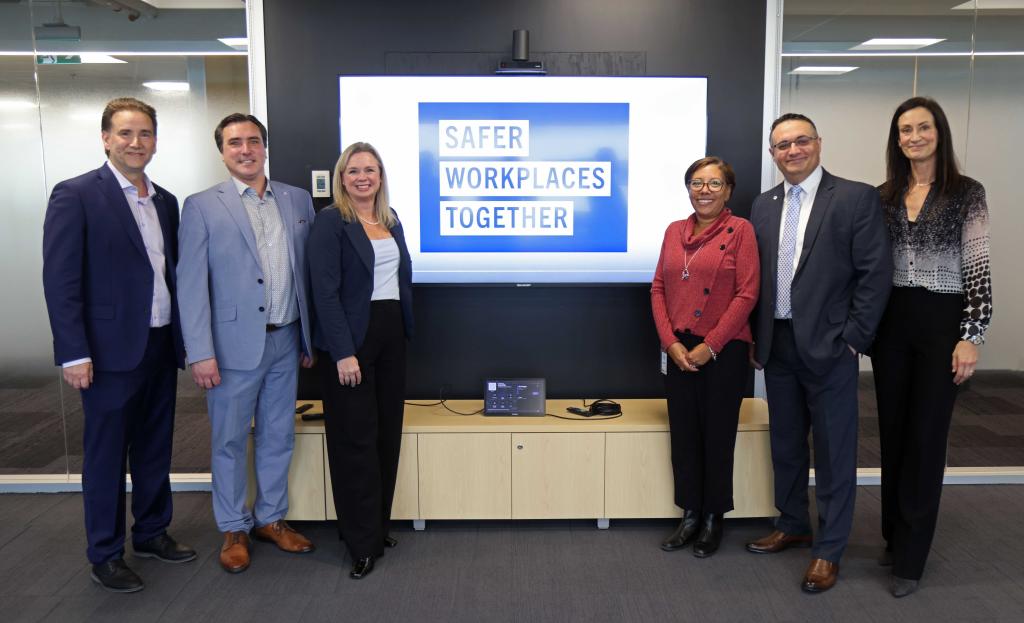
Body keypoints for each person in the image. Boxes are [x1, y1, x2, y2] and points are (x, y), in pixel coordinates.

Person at [42, 97, 196, 593]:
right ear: (106, 138)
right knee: (107, 456)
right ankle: (105, 554)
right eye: (126, 133)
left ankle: (151, 532)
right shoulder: (76, 195)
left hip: (159, 342)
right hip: (107, 353)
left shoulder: (165, 201)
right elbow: (61, 281)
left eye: (145, 133)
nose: (136, 142)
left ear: (155, 141)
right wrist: (73, 351)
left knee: (155, 447)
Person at [746, 113, 893, 593]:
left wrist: (853, 338)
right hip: (778, 344)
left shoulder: (854, 197)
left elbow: (875, 274)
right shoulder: (763, 205)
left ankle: (829, 549)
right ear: (772, 154)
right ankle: (792, 523)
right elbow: (757, 277)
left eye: (801, 140)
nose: (792, 150)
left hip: (831, 347)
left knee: (833, 452)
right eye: (782, 145)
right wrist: (756, 337)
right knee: (786, 444)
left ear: (818, 143)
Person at [176, 113, 316, 574]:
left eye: (253, 141)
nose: (245, 150)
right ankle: (233, 527)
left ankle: (270, 519)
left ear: (265, 147)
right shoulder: (202, 206)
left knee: (278, 435)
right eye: (235, 142)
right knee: (230, 441)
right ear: (222, 151)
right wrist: (200, 352)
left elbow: (307, 273)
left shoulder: (296, 199)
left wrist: (308, 335)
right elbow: (191, 285)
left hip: (286, 339)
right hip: (230, 347)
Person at [873, 97, 992, 598]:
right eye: (905, 130)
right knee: (893, 434)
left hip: (943, 324)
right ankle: (893, 535)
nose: (914, 137)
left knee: (926, 438)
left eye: (923, 127)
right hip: (891, 324)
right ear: (896, 139)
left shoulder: (966, 193)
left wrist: (972, 335)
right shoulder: (883, 195)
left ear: (939, 133)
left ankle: (911, 559)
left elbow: (978, 266)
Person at [308, 142, 413, 579]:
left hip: (391, 335)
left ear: (381, 176)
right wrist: (343, 351)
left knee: (386, 435)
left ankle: (377, 527)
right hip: (351, 341)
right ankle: (360, 542)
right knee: (355, 442)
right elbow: (325, 292)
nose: (362, 177)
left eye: (370, 169)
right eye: (353, 170)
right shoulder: (331, 222)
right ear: (342, 177)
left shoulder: (390, 219)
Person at [651, 156, 760, 557]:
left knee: (717, 437)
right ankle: (690, 514)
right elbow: (658, 289)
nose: (705, 191)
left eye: (715, 184)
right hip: (679, 350)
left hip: (723, 351)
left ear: (728, 190)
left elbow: (747, 294)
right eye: (697, 183)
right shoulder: (673, 231)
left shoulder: (741, 230)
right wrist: (670, 343)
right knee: (684, 437)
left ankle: (713, 517)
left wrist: (709, 346)